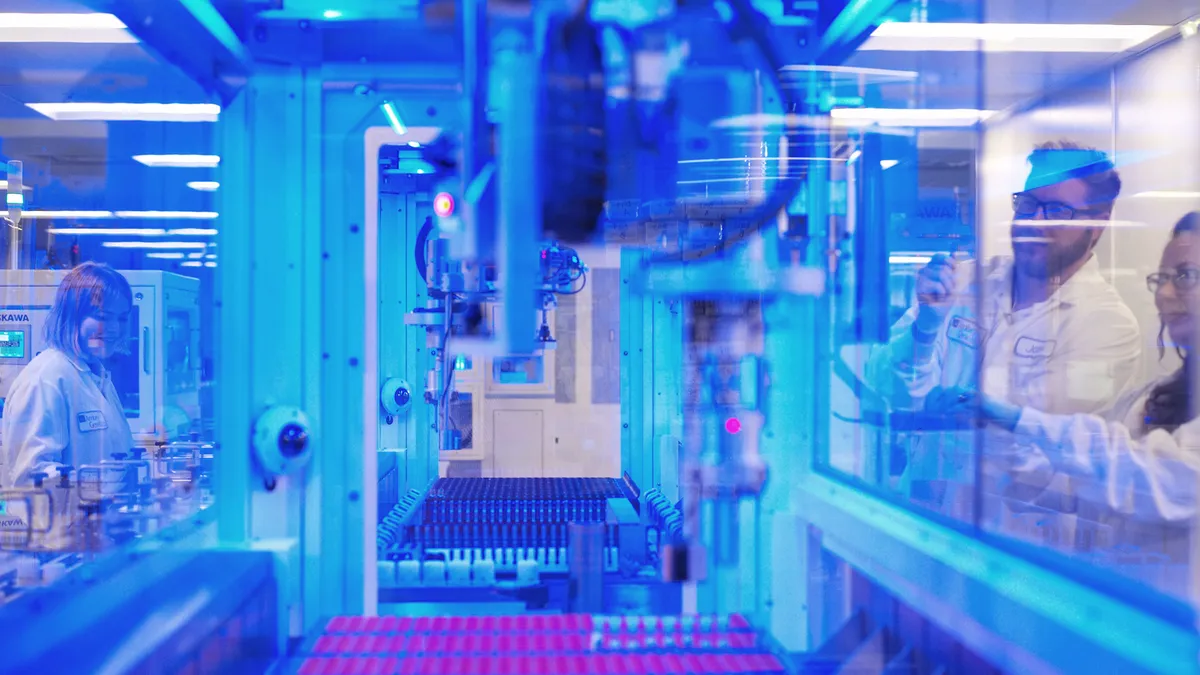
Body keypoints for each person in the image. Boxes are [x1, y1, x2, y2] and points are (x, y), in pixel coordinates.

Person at [867, 141, 1143, 514]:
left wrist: (965, 413)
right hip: (922, 515)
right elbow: (885, 383)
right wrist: (926, 328)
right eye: (1027, 205)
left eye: (1056, 210)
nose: (1034, 222)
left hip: (1015, 540)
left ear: (1097, 223)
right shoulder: (964, 279)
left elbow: (1035, 446)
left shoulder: (1107, 326)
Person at [932, 212, 1200, 524]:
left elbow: (1163, 481)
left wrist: (1020, 421)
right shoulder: (1149, 397)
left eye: (1186, 276)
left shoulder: (1106, 322)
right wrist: (1001, 436)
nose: (1164, 294)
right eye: (1162, 278)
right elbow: (1072, 482)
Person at [0, 262, 134, 544]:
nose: (113, 328)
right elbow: (33, 476)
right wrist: (96, 496)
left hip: (95, 538)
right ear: (73, 316)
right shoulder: (46, 378)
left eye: (122, 318)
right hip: (56, 546)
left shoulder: (94, 374)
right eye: (102, 316)